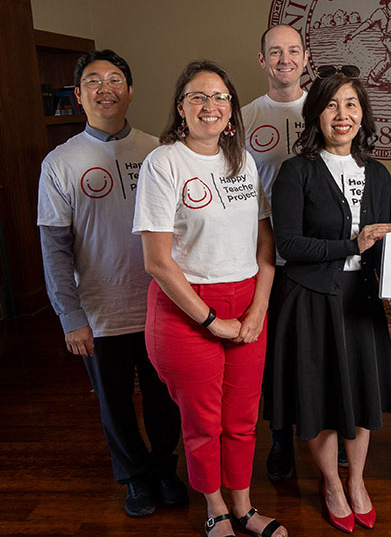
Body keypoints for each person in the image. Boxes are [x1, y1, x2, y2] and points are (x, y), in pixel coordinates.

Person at [133, 60, 286, 537]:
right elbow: (158, 261)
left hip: (247, 300)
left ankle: (243, 505)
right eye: (199, 97)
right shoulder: (165, 162)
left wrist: (259, 306)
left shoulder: (242, 161)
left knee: (242, 418)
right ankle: (215, 507)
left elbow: (266, 242)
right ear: (181, 109)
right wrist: (211, 321)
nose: (211, 105)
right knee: (203, 422)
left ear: (232, 112)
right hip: (187, 307)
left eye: (221, 97)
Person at [37, 49, 186, 518]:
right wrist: (70, 317)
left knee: (167, 398)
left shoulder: (158, 151)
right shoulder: (60, 163)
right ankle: (135, 478)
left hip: (161, 304)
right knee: (115, 403)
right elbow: (55, 249)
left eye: (116, 79)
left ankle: (165, 469)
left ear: (130, 91)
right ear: (79, 96)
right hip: (100, 312)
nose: (106, 88)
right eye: (94, 81)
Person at [268, 64, 391, 533]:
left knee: (362, 393)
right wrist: (351, 245)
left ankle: (358, 480)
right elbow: (288, 244)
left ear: (363, 114)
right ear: (314, 114)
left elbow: (381, 244)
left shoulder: (379, 174)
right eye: (330, 105)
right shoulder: (295, 171)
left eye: (351, 104)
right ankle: (331, 483)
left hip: (359, 300)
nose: (341, 115)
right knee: (320, 397)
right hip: (311, 300)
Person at [242, 24, 309, 483]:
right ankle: (281, 436)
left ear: (305, 58)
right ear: (262, 60)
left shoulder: (326, 109)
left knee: (319, 348)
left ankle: (329, 428)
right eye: (274, 52)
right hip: (264, 258)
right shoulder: (241, 118)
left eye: (293, 51)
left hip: (318, 255)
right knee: (274, 356)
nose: (284, 59)